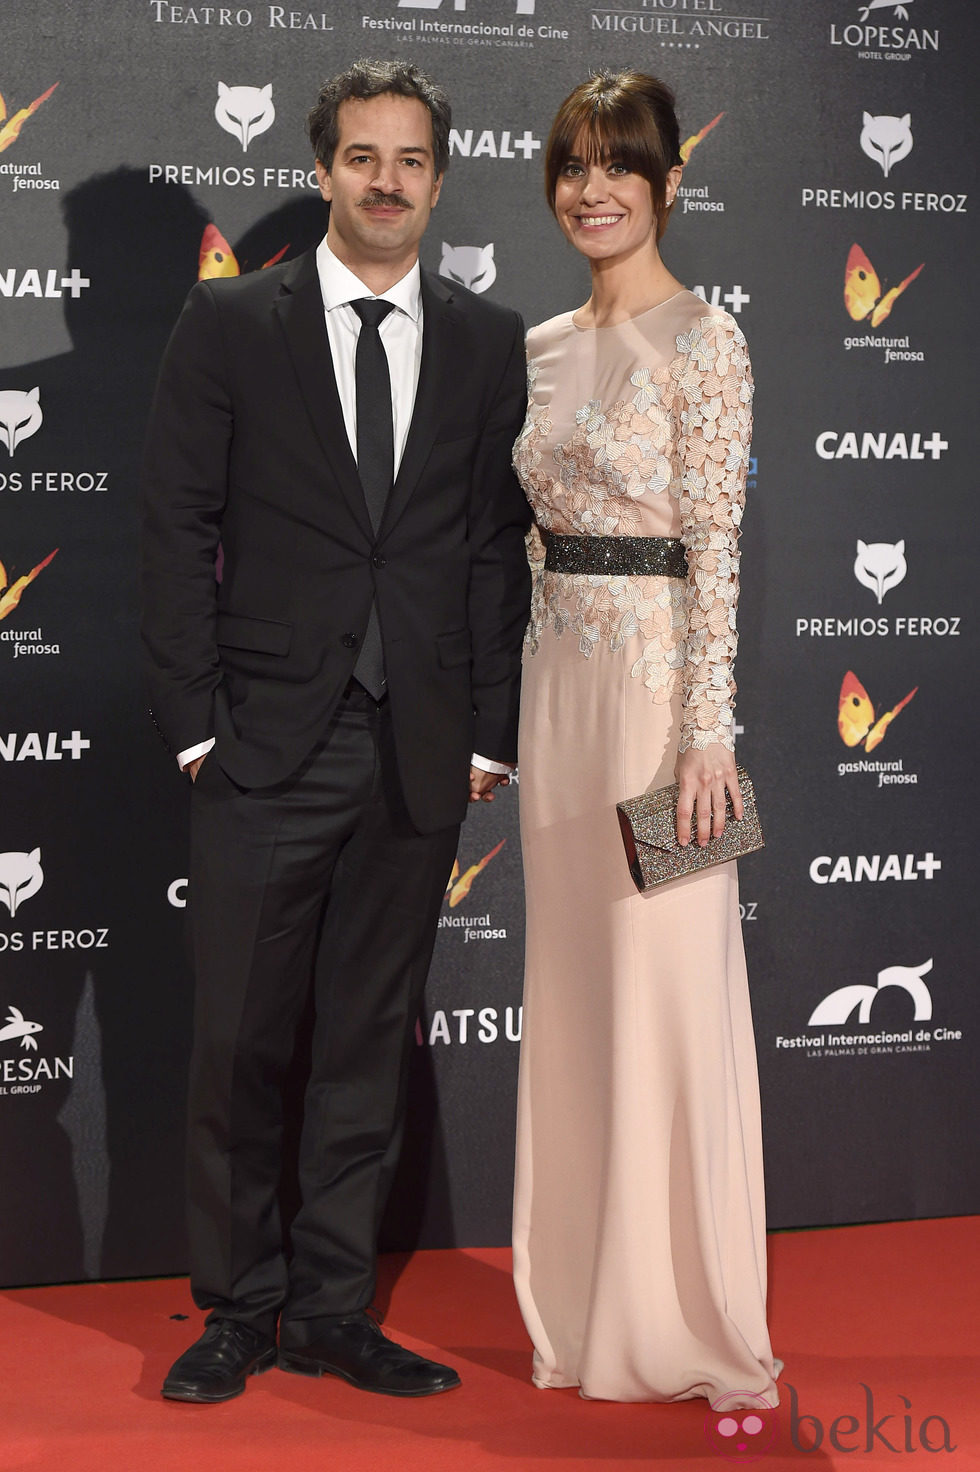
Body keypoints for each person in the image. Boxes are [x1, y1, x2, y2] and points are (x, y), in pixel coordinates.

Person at [141, 58, 530, 1404]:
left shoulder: (488, 342)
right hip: (264, 742)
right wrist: (196, 727)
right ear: (321, 173)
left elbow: (490, 550)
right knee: (242, 1040)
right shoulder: (232, 324)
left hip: (417, 749)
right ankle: (238, 1309)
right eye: (361, 157)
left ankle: (330, 1308)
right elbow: (174, 527)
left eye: (410, 160)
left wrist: (491, 734)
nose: (386, 181)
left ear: (437, 177)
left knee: (367, 1042)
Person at [511, 71, 779, 1407]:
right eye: (573, 164)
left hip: (658, 701)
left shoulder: (707, 338)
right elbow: (528, 531)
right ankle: (575, 1304)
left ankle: (686, 1315)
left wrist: (708, 733)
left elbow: (716, 543)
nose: (593, 187)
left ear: (669, 184)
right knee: (572, 997)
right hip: (555, 693)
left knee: (665, 994)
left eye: (620, 165)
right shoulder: (542, 346)